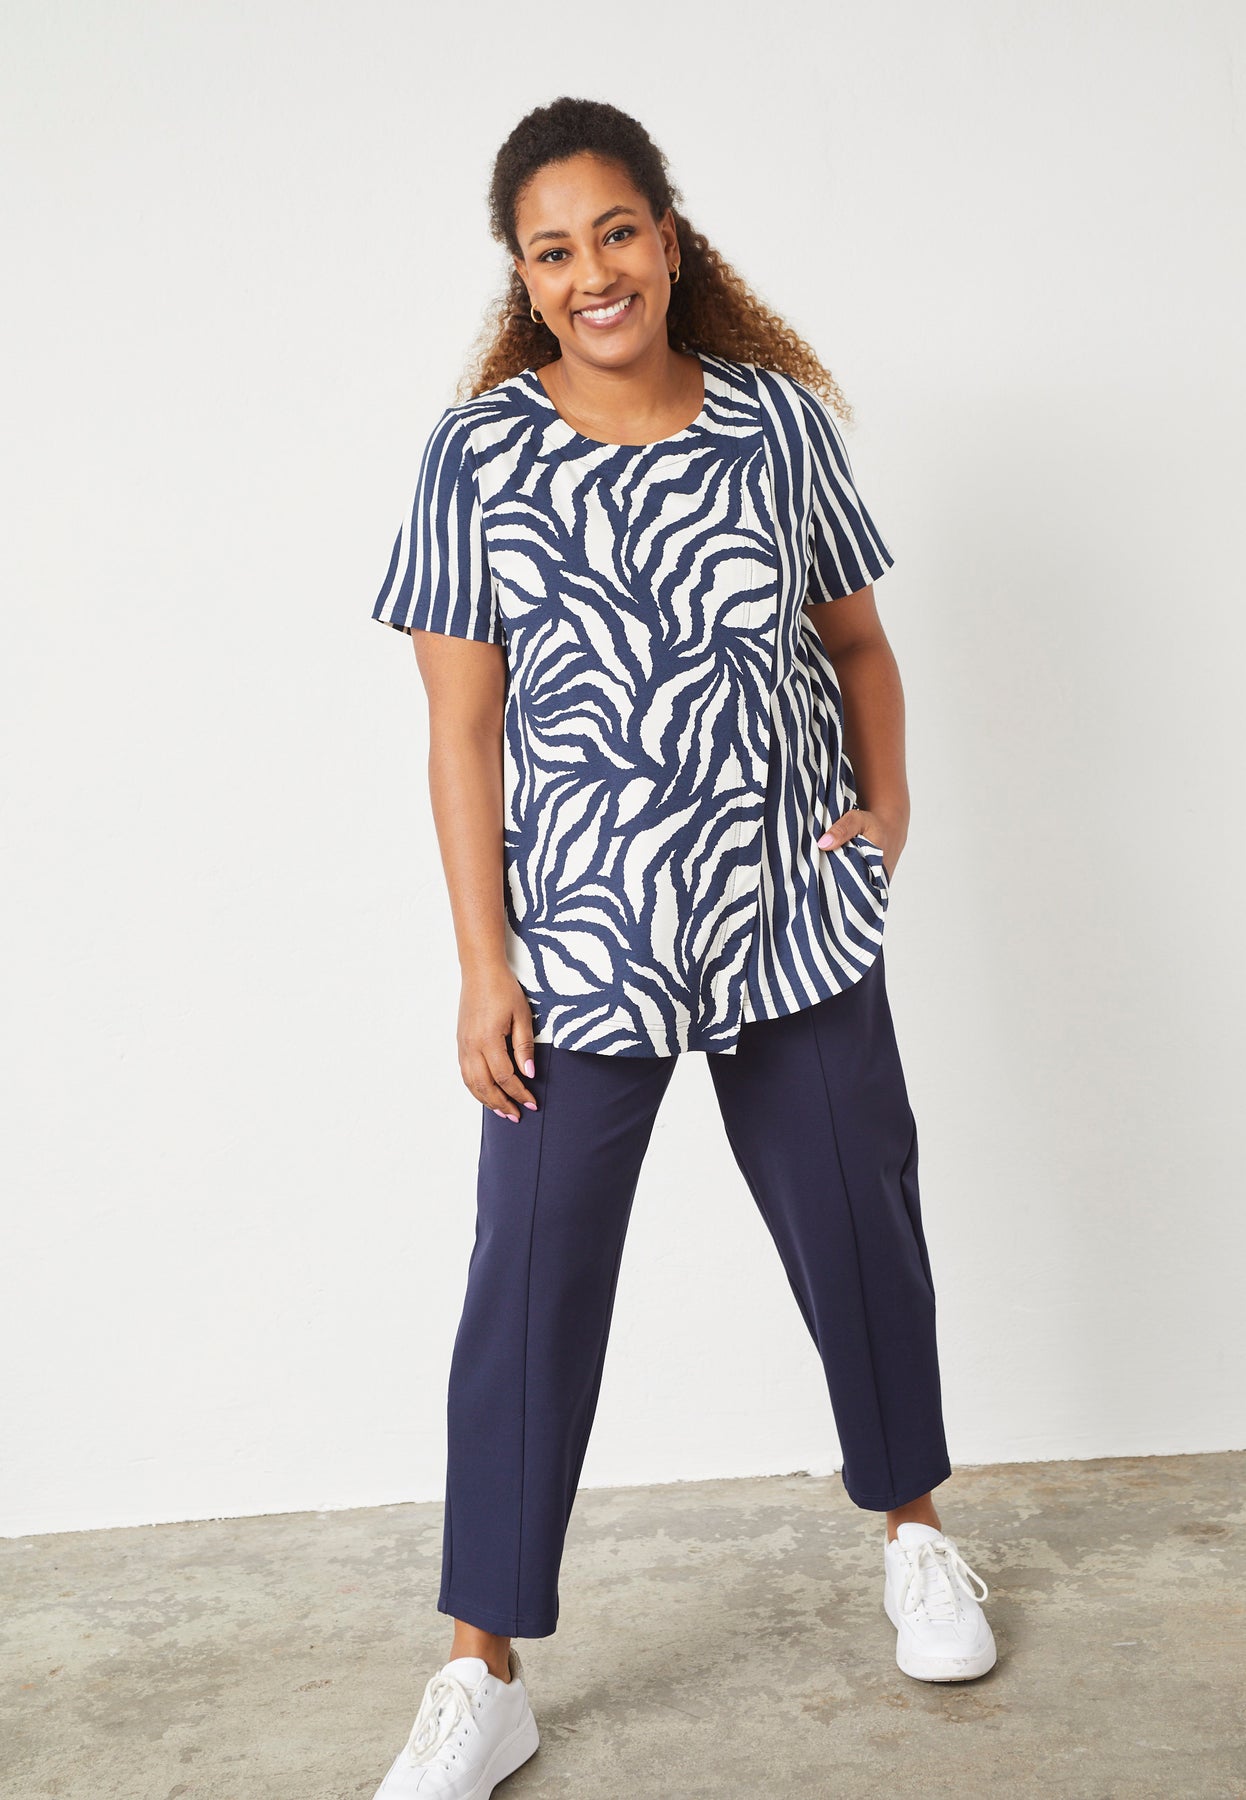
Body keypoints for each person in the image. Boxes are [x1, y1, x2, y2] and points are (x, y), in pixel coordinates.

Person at [366, 95, 995, 1800]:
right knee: (529, 1286)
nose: (591, 273)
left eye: (615, 233)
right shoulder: (476, 458)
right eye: (551, 251)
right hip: (581, 947)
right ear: (521, 276)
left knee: (861, 1232)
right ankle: (481, 1667)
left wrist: (885, 815)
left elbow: (857, 646)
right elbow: (459, 735)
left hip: (788, 917)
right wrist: (483, 965)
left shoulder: (777, 427)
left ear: (667, 234)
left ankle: (915, 1538)